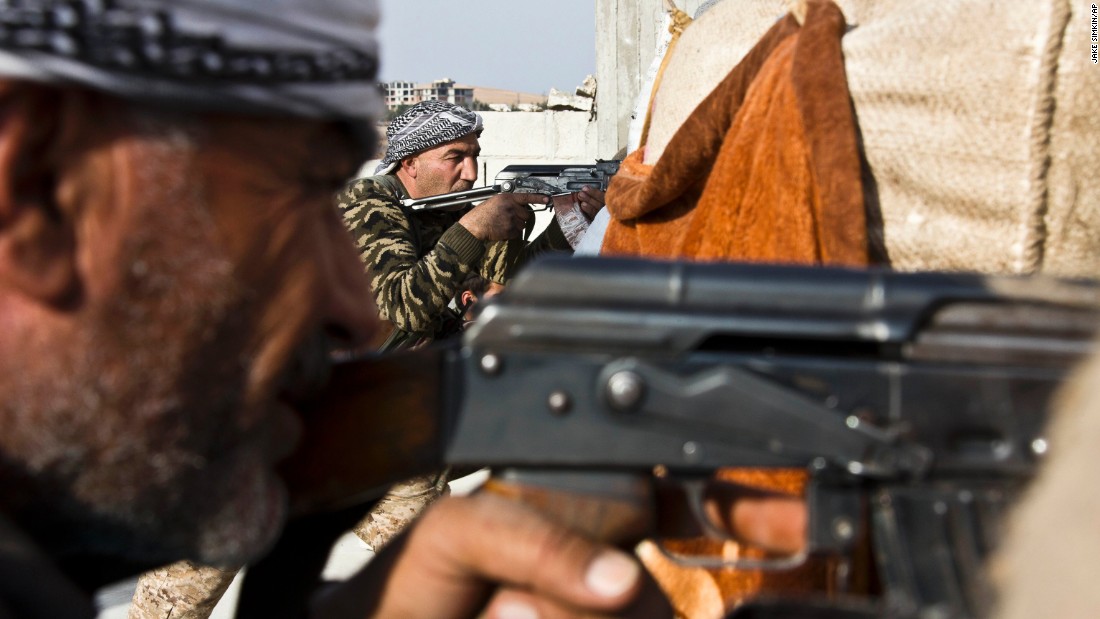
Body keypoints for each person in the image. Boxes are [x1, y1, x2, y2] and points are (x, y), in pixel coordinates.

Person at [0, 1, 664, 617]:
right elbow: (397, 311)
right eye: (301, 195)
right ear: (38, 194)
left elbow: (508, 295)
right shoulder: (381, 212)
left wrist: (558, 231)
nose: (350, 308)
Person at [338, 100, 606, 553]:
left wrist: (572, 221)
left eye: (475, 155)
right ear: (410, 164)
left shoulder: (451, 210)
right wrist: (475, 229)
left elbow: (510, 294)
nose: (470, 171)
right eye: (454, 158)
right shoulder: (368, 205)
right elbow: (407, 305)